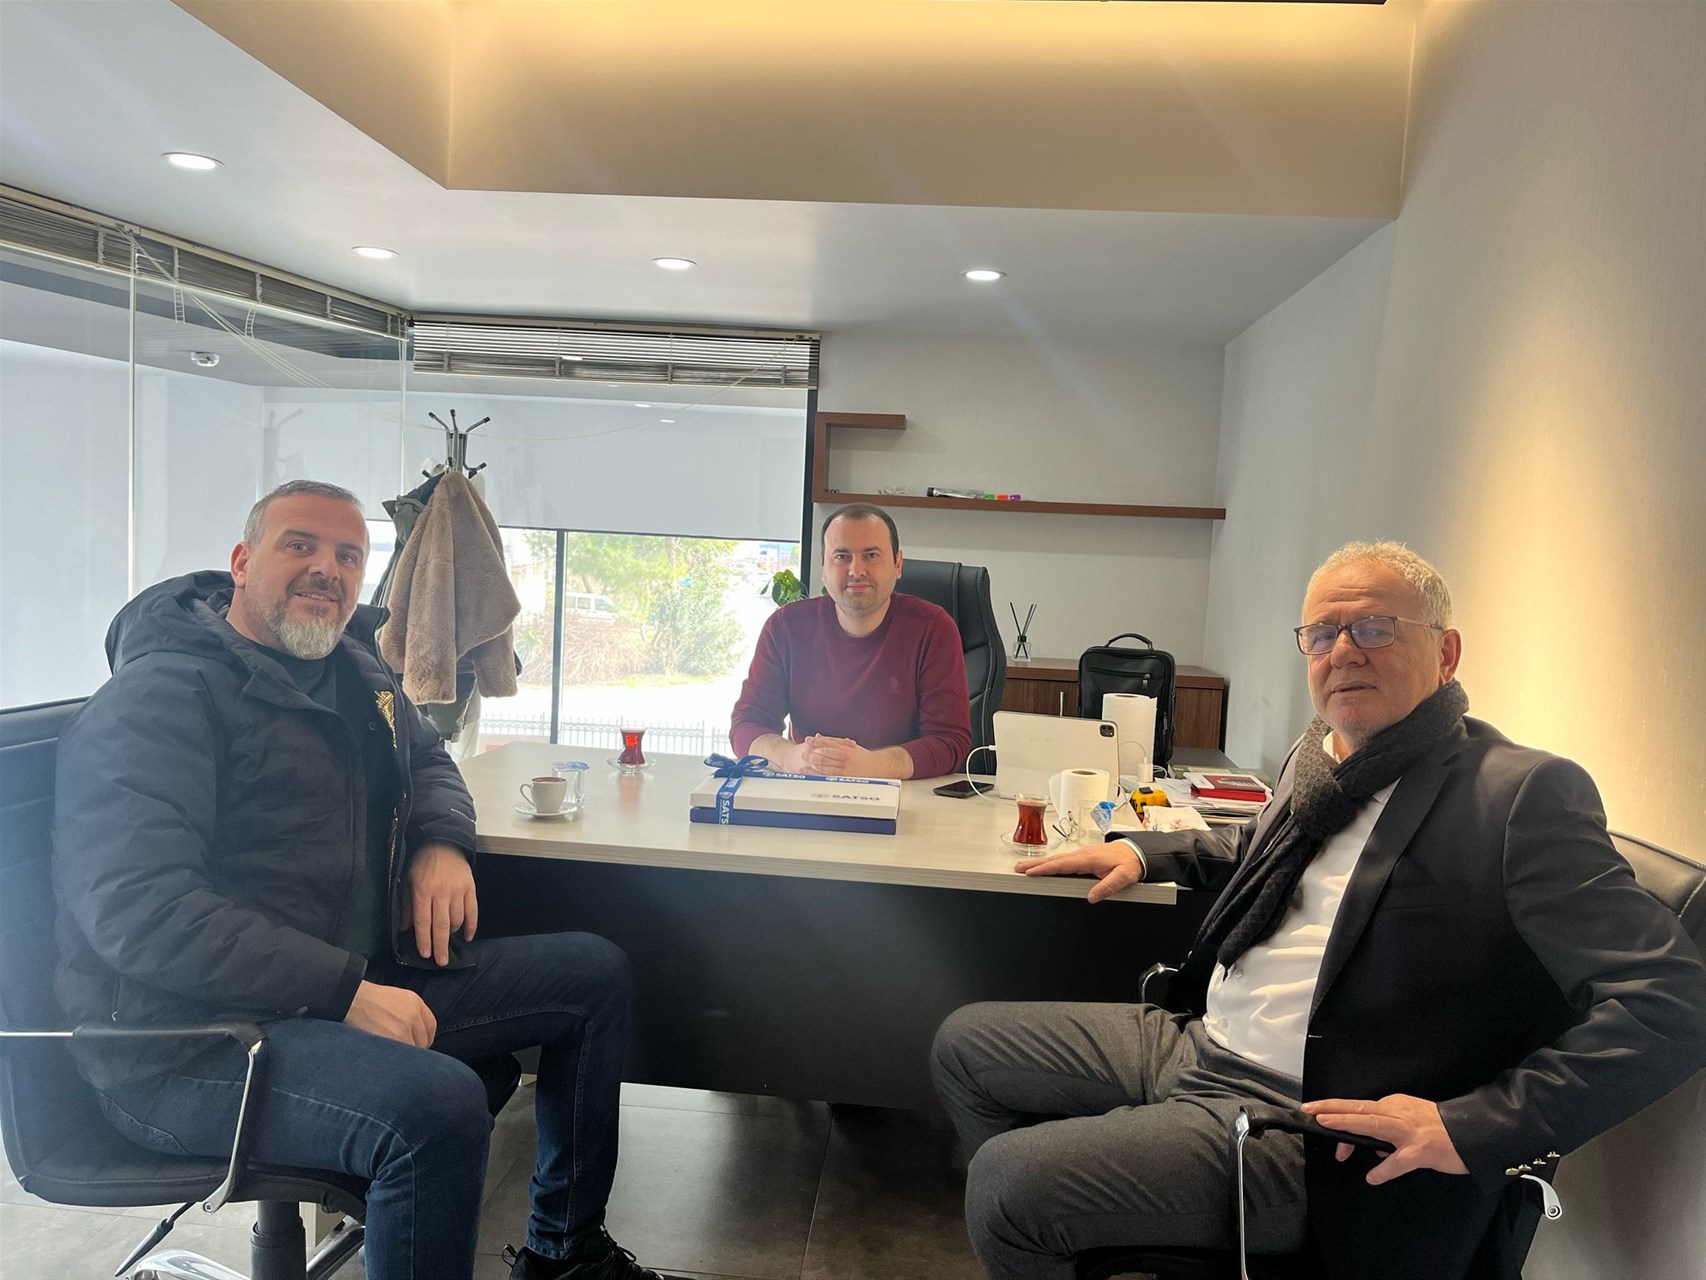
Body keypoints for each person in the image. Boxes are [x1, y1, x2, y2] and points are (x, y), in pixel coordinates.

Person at [931, 541, 1706, 1280]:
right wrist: (1141, 850)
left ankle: (1070, 1216)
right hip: (1203, 1041)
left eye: (1374, 628)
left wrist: (1477, 1126)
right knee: (964, 1046)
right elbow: (1258, 846)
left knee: (1008, 1185)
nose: (1344, 652)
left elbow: (1672, 1003)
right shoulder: (1322, 760)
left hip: (1309, 1119)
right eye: (1322, 633)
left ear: (1446, 652)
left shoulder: (1517, 796)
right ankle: (1106, 1229)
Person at [53, 480, 682, 1280]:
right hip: (194, 1043)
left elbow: (429, 759)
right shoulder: (158, 698)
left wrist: (441, 843)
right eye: (300, 545)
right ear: (242, 562)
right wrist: (346, 990)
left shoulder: (356, 669)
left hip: (338, 986)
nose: (328, 568)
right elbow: (142, 913)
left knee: (592, 974)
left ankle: (565, 1254)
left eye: (349, 555)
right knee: (436, 1105)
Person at [730, 502, 971, 779]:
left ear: (898, 564)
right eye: (841, 556)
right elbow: (747, 723)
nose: (856, 570)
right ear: (824, 567)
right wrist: (791, 757)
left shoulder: (933, 628)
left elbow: (949, 741)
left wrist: (872, 766)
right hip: (809, 786)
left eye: (871, 555)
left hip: (904, 795)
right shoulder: (785, 627)